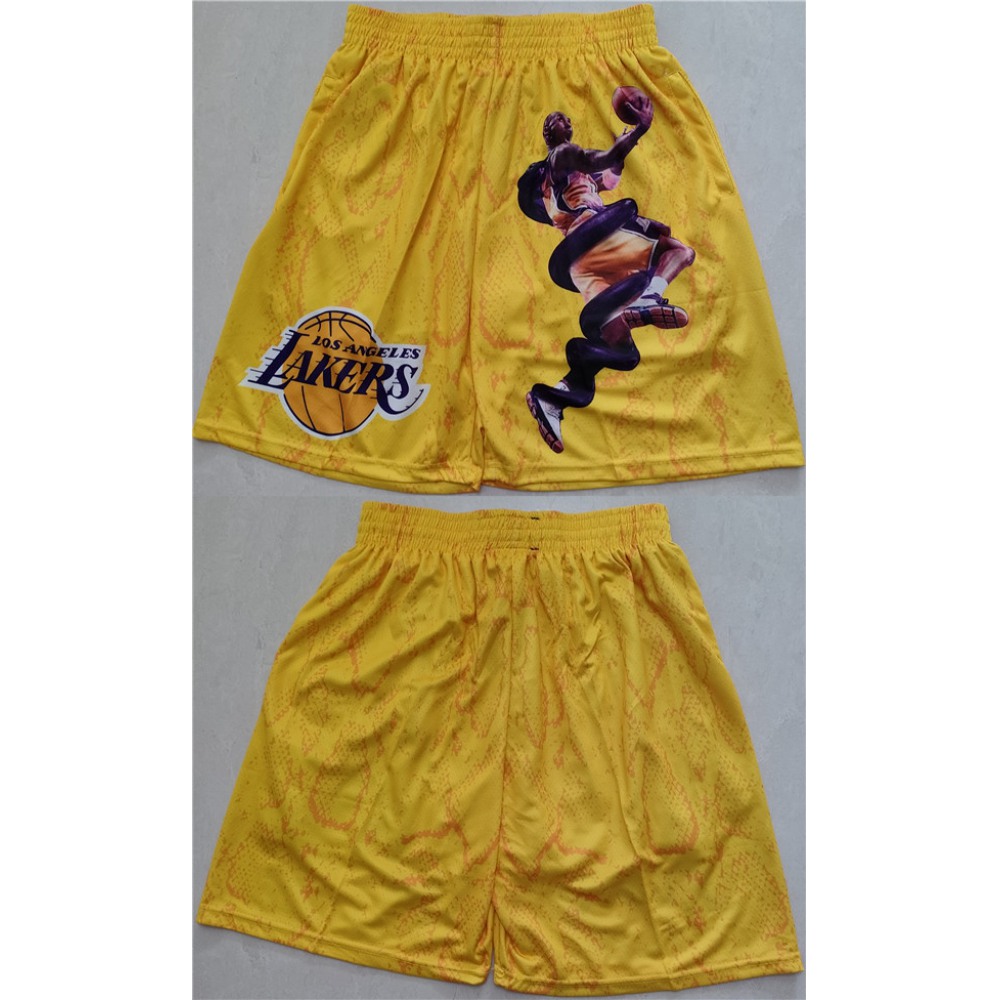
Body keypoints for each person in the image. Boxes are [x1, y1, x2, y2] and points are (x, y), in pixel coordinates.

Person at [520, 101, 696, 454]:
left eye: (566, 117)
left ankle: (554, 397)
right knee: (677, 250)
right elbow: (600, 158)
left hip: (581, 265)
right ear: (548, 134)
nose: (564, 119)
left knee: (621, 349)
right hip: (595, 239)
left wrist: (623, 146)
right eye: (556, 118)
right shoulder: (561, 156)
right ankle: (649, 296)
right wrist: (640, 129)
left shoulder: (570, 180)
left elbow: (610, 173)